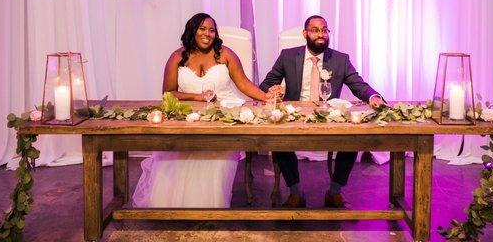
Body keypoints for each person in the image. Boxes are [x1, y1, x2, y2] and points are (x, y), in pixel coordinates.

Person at [133, 13, 273, 208]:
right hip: (188, 118)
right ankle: (175, 210)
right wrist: (196, 97)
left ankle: (209, 209)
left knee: (215, 160)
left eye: (212, 30)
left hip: (222, 116)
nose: (208, 33)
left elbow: (243, 83)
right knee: (176, 158)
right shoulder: (177, 57)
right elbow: (168, 94)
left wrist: (265, 97)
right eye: (202, 28)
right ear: (193, 30)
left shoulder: (225, 54)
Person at [260, 15, 384, 208]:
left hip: (329, 117)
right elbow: (266, 84)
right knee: (278, 138)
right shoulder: (288, 56)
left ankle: (334, 191)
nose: (321, 34)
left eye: (324, 30)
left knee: (355, 137)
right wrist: (272, 90)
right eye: (315, 30)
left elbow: (358, 85)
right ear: (305, 33)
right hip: (295, 115)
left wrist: (373, 97)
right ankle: (295, 192)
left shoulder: (341, 59)